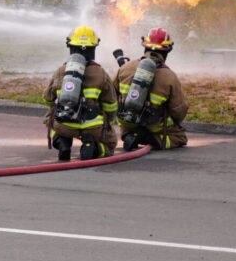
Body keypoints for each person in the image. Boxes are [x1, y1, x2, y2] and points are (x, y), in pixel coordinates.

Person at [43, 26, 117, 161]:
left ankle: (62, 142)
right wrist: (108, 122)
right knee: (111, 143)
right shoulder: (101, 74)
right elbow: (111, 105)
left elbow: (48, 99)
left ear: (70, 47)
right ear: (94, 48)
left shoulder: (61, 70)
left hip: (64, 123)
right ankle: (93, 146)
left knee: (51, 117)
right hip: (93, 126)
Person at [114, 27, 188, 151]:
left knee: (127, 128)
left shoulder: (125, 67)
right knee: (180, 137)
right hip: (155, 128)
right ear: (166, 51)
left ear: (145, 47)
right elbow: (179, 111)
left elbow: (111, 94)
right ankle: (154, 140)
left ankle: (131, 135)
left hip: (128, 123)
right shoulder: (170, 77)